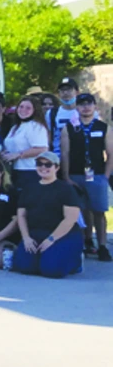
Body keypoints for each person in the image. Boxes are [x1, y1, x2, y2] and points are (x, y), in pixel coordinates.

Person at [60, 93, 113, 261]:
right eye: (82, 104)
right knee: (80, 212)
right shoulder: (69, 127)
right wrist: (66, 176)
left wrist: (105, 176)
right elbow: (65, 153)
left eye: (89, 103)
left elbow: (111, 154)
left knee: (99, 210)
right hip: (76, 175)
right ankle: (85, 242)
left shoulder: (103, 127)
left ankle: (103, 245)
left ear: (95, 106)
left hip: (96, 175)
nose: (85, 107)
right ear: (77, 107)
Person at [14, 152, 83, 278]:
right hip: (36, 233)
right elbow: (21, 215)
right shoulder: (29, 188)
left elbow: (70, 219)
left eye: (48, 164)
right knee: (24, 267)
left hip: (63, 235)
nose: (43, 167)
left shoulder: (66, 189)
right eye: (39, 164)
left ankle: (75, 261)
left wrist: (51, 239)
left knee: (51, 270)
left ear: (56, 167)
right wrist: (26, 238)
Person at [1, 95, 51, 194]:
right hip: (14, 170)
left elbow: (42, 149)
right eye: (21, 107)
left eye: (28, 108)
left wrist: (18, 154)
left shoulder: (36, 126)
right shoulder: (15, 127)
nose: (23, 110)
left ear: (35, 110)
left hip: (29, 171)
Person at [47, 77, 81, 155]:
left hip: (80, 156)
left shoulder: (85, 112)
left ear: (77, 92)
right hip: (57, 156)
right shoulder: (51, 113)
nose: (65, 93)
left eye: (69, 90)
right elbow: (48, 137)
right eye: (62, 90)